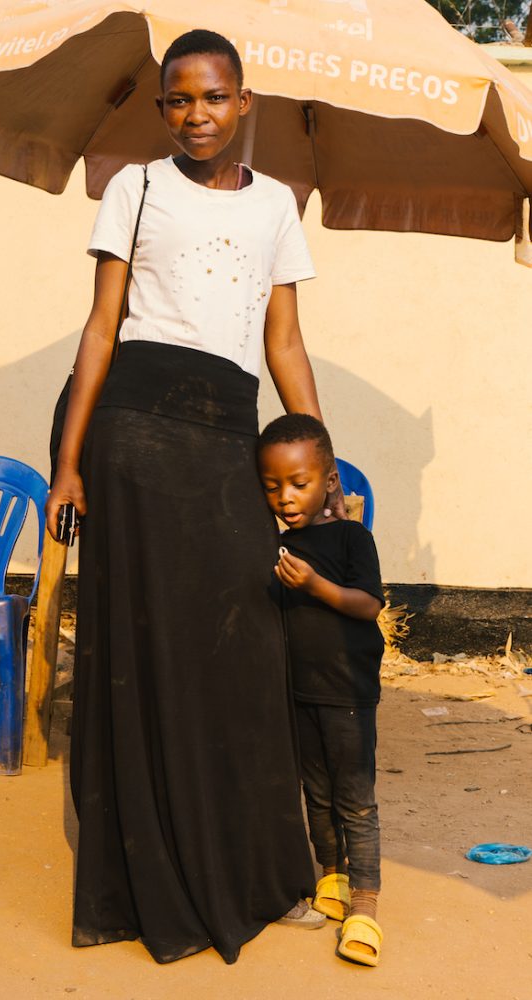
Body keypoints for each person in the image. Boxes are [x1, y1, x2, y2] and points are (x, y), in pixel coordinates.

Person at [46, 29, 337, 964]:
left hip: (225, 435)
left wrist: (319, 459)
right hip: (132, 434)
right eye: (177, 101)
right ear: (162, 108)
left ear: (242, 102)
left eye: (213, 98)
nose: (196, 115)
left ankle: (257, 871)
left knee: (244, 653)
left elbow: (283, 341)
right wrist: (68, 462)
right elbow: (98, 331)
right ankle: (143, 881)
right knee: (144, 650)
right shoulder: (133, 190)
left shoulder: (278, 208)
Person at [257, 413, 385, 967]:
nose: (286, 497)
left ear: (329, 480)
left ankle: (366, 904)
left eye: (300, 483)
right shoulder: (276, 546)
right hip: (300, 692)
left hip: (349, 693)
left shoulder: (353, 538)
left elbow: (368, 604)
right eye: (273, 486)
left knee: (355, 802)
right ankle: (331, 877)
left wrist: (315, 585)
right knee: (317, 794)